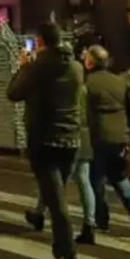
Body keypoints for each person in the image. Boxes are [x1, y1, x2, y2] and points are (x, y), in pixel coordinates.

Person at [7, 23, 85, 259]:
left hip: (45, 140)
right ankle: (58, 252)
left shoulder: (37, 68)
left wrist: (23, 65)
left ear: (40, 42)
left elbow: (13, 93)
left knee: (56, 201)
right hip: (71, 139)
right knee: (55, 198)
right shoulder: (75, 66)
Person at [27, 67, 96, 243]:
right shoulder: (84, 89)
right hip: (84, 135)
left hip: (66, 135)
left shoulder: (61, 88)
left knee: (54, 180)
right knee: (82, 180)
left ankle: (43, 216)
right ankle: (89, 223)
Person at [85, 45, 130, 235]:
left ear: (90, 62)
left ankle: (101, 219)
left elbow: (85, 113)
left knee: (96, 179)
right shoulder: (119, 81)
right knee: (118, 175)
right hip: (120, 135)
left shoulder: (87, 83)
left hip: (99, 136)